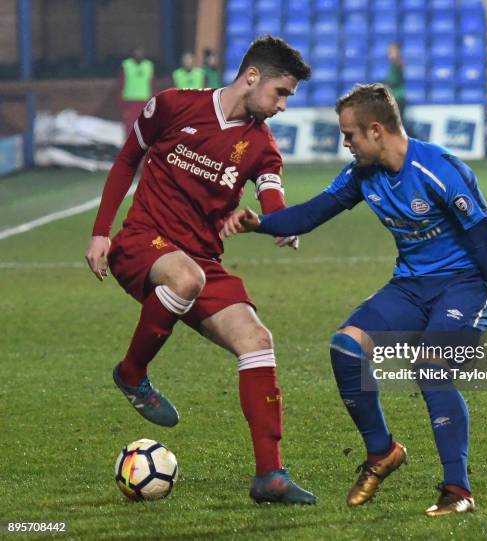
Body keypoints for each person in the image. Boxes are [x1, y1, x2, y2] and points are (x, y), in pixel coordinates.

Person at [221, 84, 487, 514]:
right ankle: (381, 452)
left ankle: (458, 490)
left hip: (464, 285)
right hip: (410, 286)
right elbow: (313, 213)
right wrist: (261, 223)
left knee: (431, 366)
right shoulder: (361, 175)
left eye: (349, 135)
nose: (345, 143)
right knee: (346, 348)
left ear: (375, 131)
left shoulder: (440, 170)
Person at [85, 36, 315, 505]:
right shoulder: (171, 107)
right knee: (185, 278)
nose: (284, 106)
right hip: (142, 242)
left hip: (201, 260)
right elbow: (128, 158)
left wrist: (279, 224)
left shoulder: (261, 145)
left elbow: (271, 192)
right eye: (281, 92)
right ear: (252, 76)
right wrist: (100, 232)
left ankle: (269, 475)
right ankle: (132, 373)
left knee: (257, 341)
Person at [118, 47, 155, 138]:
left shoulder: (148, 65)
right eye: (136, 53)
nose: (138, 55)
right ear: (132, 54)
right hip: (130, 101)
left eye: (140, 52)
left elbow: (153, 85)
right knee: (129, 126)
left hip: (145, 101)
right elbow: (120, 85)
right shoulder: (126, 65)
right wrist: (121, 104)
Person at [385, 43, 406, 126]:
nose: (389, 54)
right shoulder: (392, 65)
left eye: (392, 52)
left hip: (398, 97)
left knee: (397, 124)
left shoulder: (397, 64)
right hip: (393, 97)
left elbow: (393, 81)